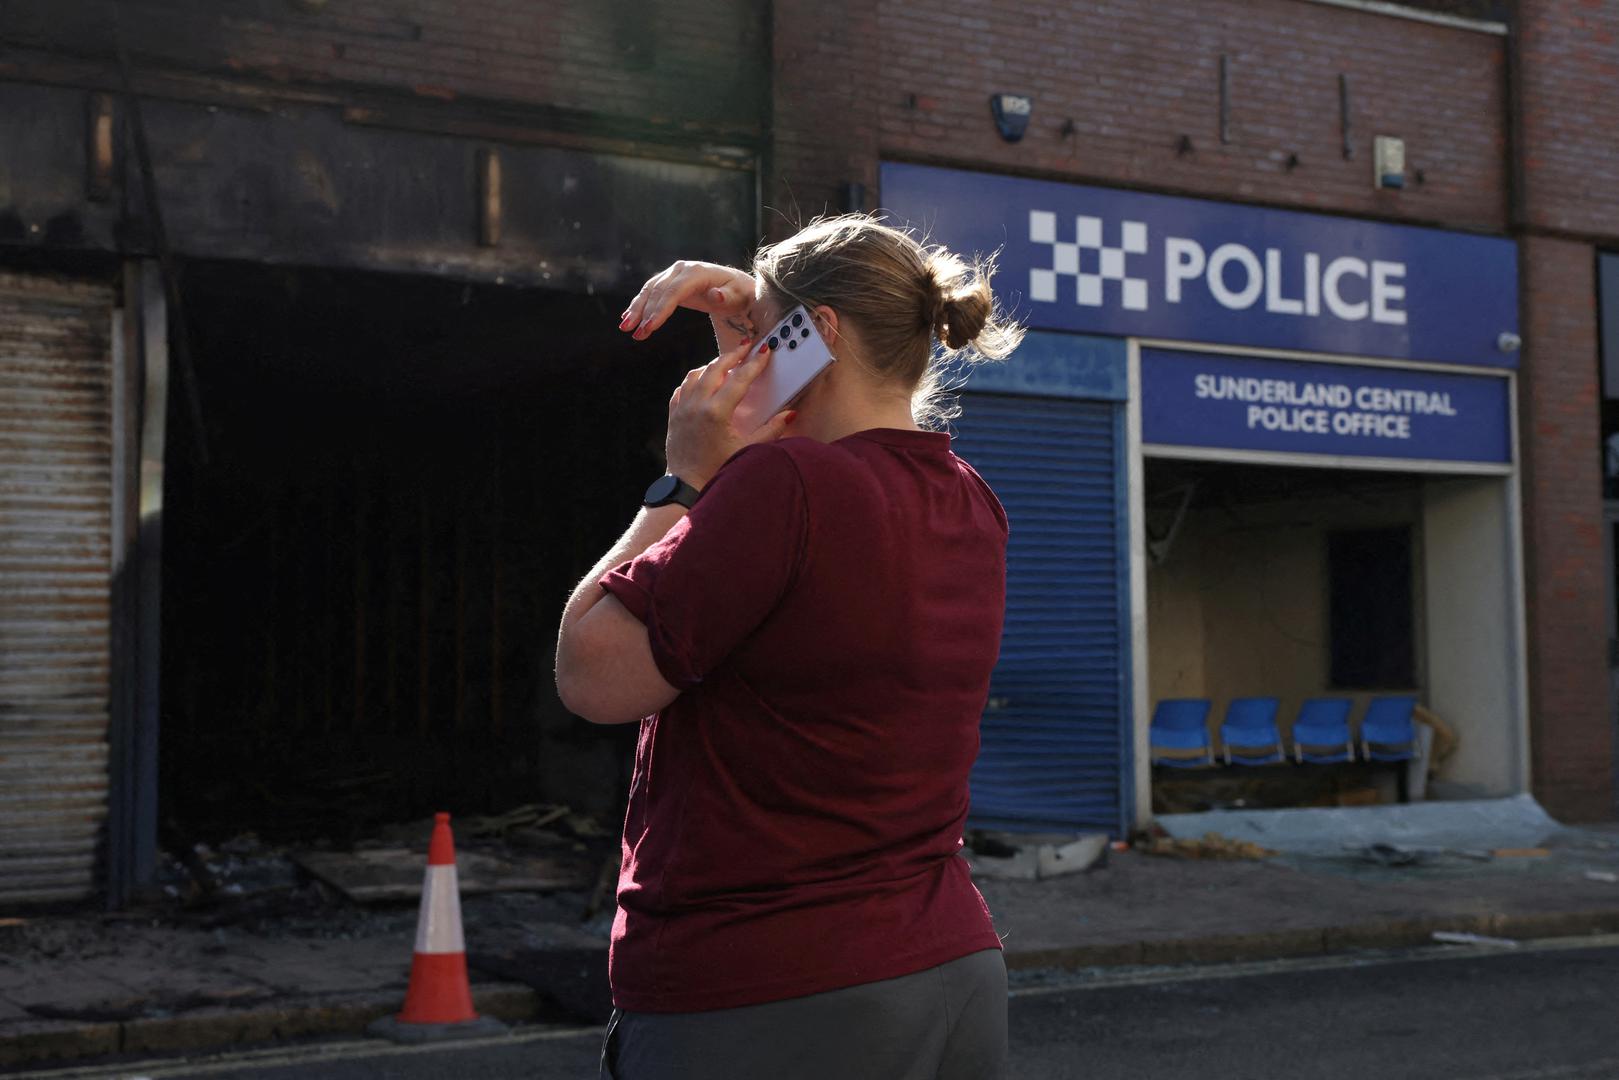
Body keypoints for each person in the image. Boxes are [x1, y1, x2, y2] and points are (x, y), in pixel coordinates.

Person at [554, 214, 1023, 1080]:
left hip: (767, 988)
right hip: (947, 970)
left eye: (770, 337)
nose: (747, 361)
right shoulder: (968, 499)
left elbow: (591, 674)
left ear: (823, 334)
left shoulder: (781, 484)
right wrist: (761, 326)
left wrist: (686, 477)